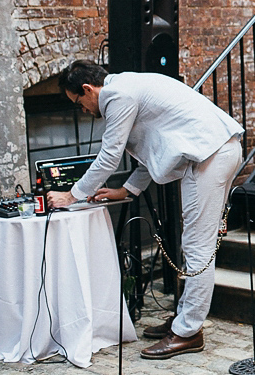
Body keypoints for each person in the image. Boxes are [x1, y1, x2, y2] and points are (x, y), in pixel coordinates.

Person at [48, 60, 244, 359]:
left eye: (79, 103)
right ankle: (184, 319)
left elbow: (110, 154)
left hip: (211, 156)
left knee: (197, 249)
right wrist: (126, 190)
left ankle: (188, 332)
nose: (84, 110)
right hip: (215, 152)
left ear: (88, 88)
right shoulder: (126, 85)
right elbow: (153, 148)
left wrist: (72, 196)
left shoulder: (117, 96)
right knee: (195, 246)